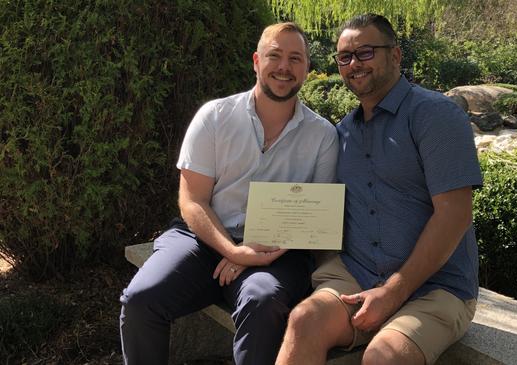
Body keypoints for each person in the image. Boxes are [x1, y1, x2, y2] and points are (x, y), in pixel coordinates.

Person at [119, 22, 338, 365]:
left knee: (262, 299)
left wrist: (256, 251)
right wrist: (234, 251)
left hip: (279, 252)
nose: (284, 66)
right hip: (201, 240)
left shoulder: (323, 136)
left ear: (307, 69)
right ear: (255, 61)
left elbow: (315, 217)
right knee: (141, 299)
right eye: (274, 56)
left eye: (295, 58)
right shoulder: (215, 117)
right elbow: (193, 201)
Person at [276, 14, 482, 365]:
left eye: (366, 52)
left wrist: (391, 292)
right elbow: (320, 208)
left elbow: (456, 214)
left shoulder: (435, 116)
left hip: (437, 288)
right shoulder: (342, 133)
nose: (354, 64)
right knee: (304, 321)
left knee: (384, 358)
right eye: (345, 57)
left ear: (396, 56)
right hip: (357, 275)